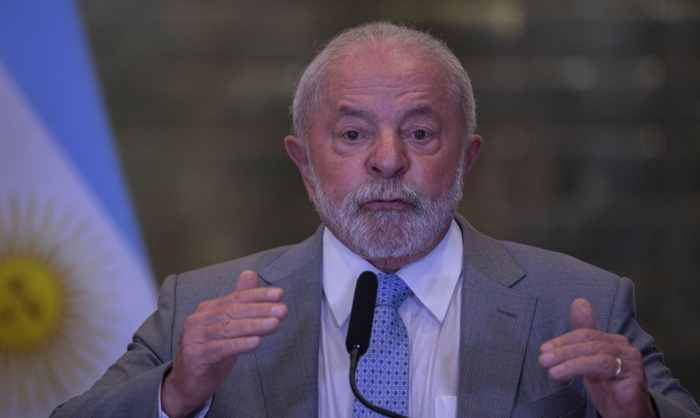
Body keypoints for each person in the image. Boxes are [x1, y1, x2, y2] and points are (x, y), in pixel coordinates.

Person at [52, 22, 699, 418]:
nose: (388, 161)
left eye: (420, 133)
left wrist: (634, 416)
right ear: (305, 163)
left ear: (466, 159)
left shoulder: (580, 305)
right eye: (353, 134)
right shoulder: (200, 308)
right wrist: (175, 394)